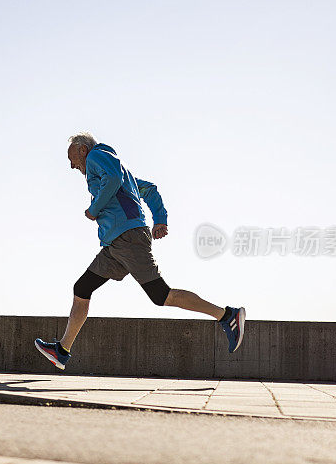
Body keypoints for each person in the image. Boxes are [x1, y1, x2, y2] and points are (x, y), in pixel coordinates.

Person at [34, 133, 245, 370]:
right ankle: (62, 350)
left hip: (128, 239)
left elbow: (112, 179)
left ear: (82, 149)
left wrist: (94, 208)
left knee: (161, 295)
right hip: (116, 245)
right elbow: (149, 189)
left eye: (71, 157)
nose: (72, 165)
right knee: (82, 288)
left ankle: (227, 316)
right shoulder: (121, 171)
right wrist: (160, 219)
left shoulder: (96, 156)